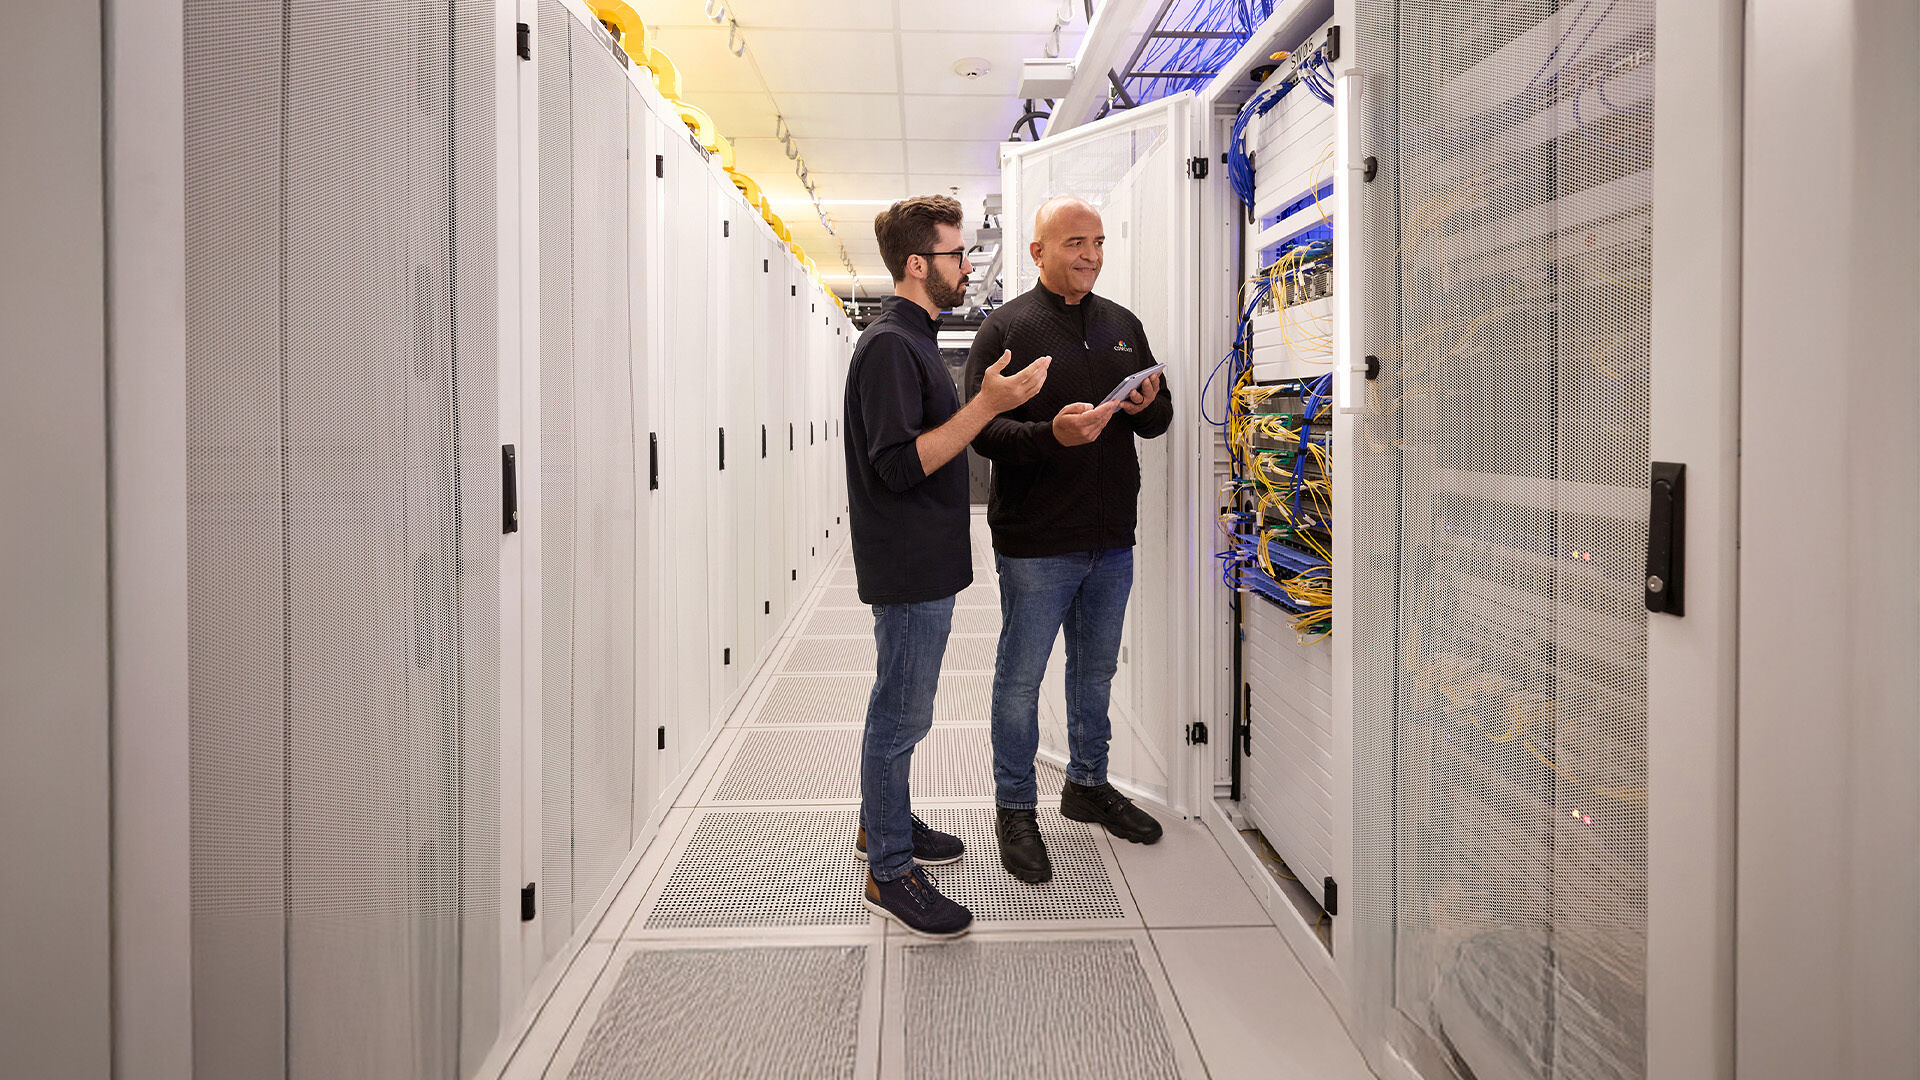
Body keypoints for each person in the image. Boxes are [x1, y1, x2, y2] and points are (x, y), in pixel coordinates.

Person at [844, 194, 1051, 936]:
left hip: (921, 560)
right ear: (916, 264)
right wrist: (986, 405)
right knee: (901, 715)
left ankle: (883, 821)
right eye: (957, 253)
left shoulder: (914, 338)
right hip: (907, 566)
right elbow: (901, 465)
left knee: (901, 707)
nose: (967, 265)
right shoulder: (891, 347)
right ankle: (890, 869)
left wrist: (993, 402)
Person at [963, 195, 1173, 885]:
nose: (1091, 255)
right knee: (1020, 681)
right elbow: (981, 431)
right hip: (1037, 541)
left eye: (1099, 242)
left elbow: (1158, 418)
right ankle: (1015, 808)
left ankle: (1087, 785)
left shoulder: (1122, 325)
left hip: (1110, 537)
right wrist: (1051, 435)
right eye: (1076, 242)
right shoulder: (1006, 328)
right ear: (1038, 252)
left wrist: (1149, 405)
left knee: (1094, 673)